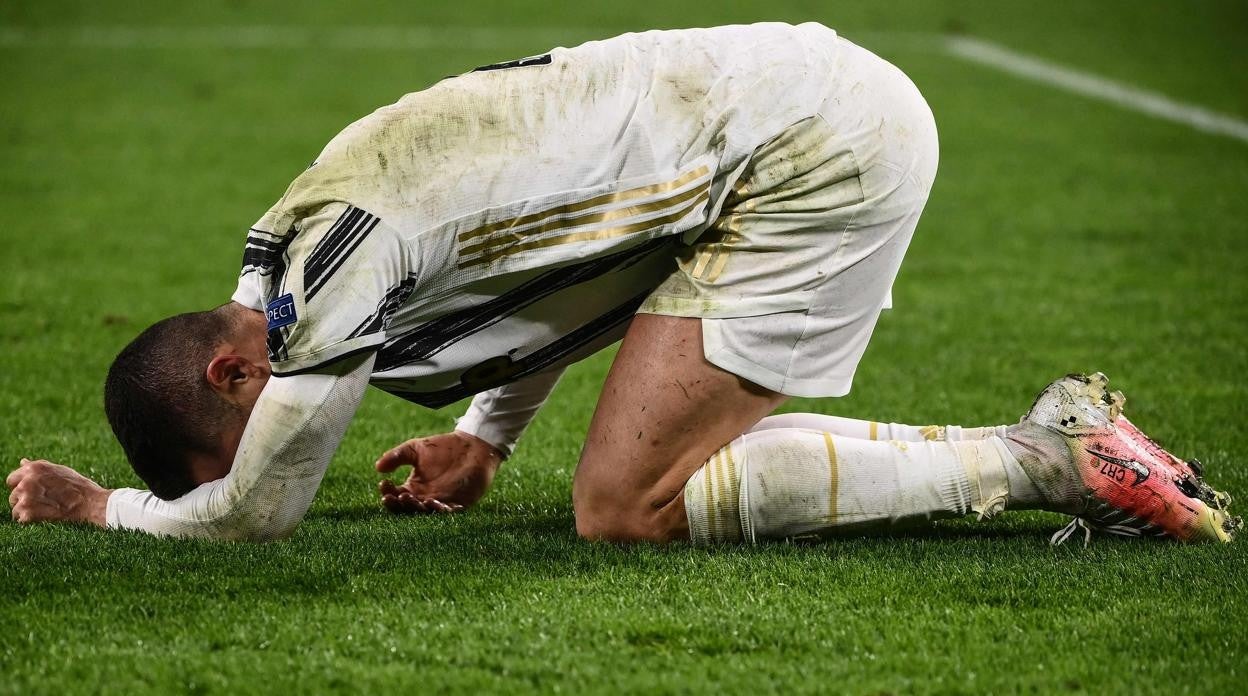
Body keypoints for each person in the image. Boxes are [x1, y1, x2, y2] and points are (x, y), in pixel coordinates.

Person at [5, 23, 1238, 545]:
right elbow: (551, 269)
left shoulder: (317, 281)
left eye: (254, 432)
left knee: (624, 502)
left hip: (808, 149)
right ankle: (1050, 452)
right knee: (634, 480)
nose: (290, 454)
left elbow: (258, 513)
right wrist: (485, 438)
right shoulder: (294, 262)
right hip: (793, 107)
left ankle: (1049, 456)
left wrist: (107, 508)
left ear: (236, 371)